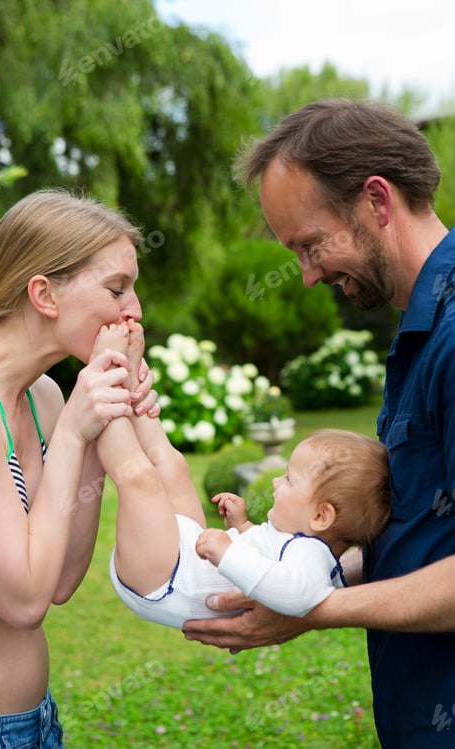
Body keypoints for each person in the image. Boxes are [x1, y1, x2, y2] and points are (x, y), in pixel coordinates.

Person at [182, 98, 455, 748]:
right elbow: (421, 535)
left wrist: (311, 608)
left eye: (310, 244)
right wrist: (289, 566)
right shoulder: (420, 329)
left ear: (377, 202)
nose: (306, 276)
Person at [0, 188, 158, 747]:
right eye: (117, 288)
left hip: (36, 721)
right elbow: (23, 601)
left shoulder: (44, 395)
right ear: (44, 294)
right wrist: (74, 430)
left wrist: (96, 428)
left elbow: (61, 581)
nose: (134, 310)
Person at [95, 321, 390, 629]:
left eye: (289, 479)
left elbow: (298, 595)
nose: (277, 481)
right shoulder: (299, 542)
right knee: (173, 464)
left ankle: (104, 379)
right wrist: (242, 526)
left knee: (139, 477)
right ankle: (130, 381)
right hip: (182, 555)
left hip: (164, 581)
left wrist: (227, 553)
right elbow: (270, 559)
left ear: (321, 516)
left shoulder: (312, 555)